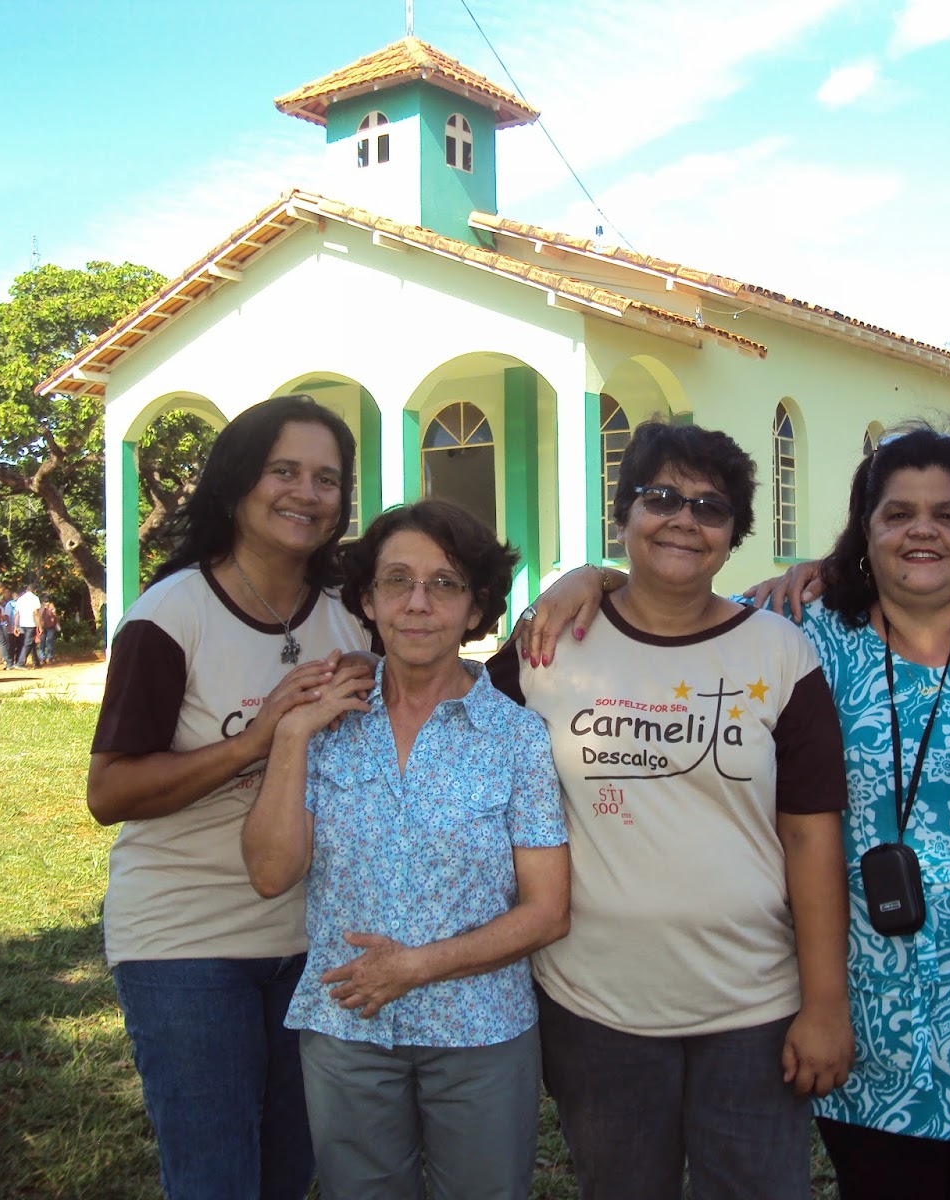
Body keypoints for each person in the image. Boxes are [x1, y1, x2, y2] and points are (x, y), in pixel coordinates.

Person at [525, 426, 950, 1199]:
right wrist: (590, 577)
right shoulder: (806, 629)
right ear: (864, 532)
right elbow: (676, 588)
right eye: (897, 514)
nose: (921, 531)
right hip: (865, 994)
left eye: (948, 515)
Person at [488, 419, 853, 1200]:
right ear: (623, 512)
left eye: (711, 507)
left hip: (753, 1006)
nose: (684, 520)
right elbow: (456, 733)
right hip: (594, 1007)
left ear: (733, 534)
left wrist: (825, 1003)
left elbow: (812, 834)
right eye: (661, 498)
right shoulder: (550, 643)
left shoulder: (779, 652)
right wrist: (586, 578)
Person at [86, 393, 372, 1200]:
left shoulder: (354, 611)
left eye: (326, 478)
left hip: (316, 940)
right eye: (284, 471)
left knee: (286, 1174)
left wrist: (593, 580)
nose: (306, 493)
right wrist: (256, 739)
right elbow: (109, 790)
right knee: (215, 1177)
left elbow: (461, 607)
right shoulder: (171, 615)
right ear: (237, 482)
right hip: (185, 940)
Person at [242, 499, 570, 1200]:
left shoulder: (516, 737)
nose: (418, 603)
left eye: (445, 584)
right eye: (397, 581)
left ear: (476, 607)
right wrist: (292, 734)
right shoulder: (328, 723)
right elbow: (270, 873)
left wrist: (414, 967)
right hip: (346, 1024)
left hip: (481, 1031)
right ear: (368, 599)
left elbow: (548, 911)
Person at [13, 582, 42, 669]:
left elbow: (17, 613)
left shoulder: (20, 599)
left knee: (31, 642)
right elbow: (36, 613)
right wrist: (39, 626)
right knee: (28, 643)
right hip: (31, 623)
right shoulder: (35, 598)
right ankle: (20, 663)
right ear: (34, 590)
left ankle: (36, 662)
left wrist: (15, 626)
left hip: (22, 623)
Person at [38, 594, 60, 665]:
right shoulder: (40, 608)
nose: (46, 603)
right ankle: (42, 658)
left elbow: (55, 616)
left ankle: (49, 657)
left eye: (47, 601)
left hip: (50, 626)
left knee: (49, 641)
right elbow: (38, 617)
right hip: (43, 627)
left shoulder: (51, 607)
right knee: (42, 642)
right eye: (45, 602)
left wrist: (53, 610)